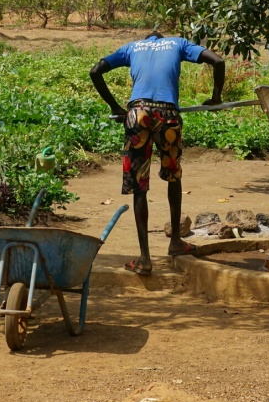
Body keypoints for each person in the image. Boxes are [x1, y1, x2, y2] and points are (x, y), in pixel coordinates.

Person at [90, 32, 225, 276]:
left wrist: (114, 106)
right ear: (163, 39)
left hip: (137, 113)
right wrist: (216, 98)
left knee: (140, 184)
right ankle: (175, 242)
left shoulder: (132, 47)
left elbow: (95, 70)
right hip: (168, 115)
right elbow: (218, 61)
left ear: (147, 40)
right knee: (173, 176)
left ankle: (144, 259)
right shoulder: (179, 43)